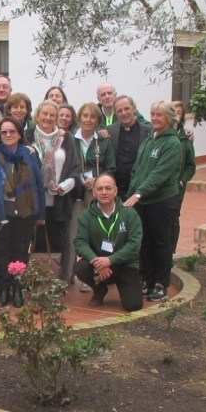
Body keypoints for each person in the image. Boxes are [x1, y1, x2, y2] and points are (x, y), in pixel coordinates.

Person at [124, 101, 184, 302]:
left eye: (160, 114)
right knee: (145, 242)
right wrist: (133, 191)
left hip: (162, 201)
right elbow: (138, 169)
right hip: (142, 201)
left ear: (169, 117)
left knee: (161, 242)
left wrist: (139, 193)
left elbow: (160, 174)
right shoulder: (150, 139)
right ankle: (147, 279)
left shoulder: (172, 143)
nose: (155, 118)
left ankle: (161, 284)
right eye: (153, 114)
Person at [0, 117, 46, 308]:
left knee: (21, 252)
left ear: (20, 134)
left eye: (12, 131)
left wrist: (41, 214)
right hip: (2, 212)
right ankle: (4, 288)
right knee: (1, 252)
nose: (8, 135)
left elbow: (38, 183)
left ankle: (18, 287)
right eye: (4, 132)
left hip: (26, 213)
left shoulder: (30, 154)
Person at [74, 174, 143, 311]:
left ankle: (125, 285)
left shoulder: (129, 213)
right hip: (99, 266)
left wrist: (111, 260)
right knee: (80, 267)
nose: (104, 192)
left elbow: (134, 244)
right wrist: (96, 261)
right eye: (99, 189)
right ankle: (100, 289)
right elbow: (80, 242)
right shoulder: (86, 216)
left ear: (115, 191)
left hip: (125, 264)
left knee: (133, 305)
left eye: (108, 188)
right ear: (94, 192)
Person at [66, 103, 115, 291]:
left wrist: (97, 180)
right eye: (84, 116)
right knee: (73, 233)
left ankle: (92, 274)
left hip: (96, 193)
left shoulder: (103, 141)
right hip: (75, 193)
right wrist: (79, 178)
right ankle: (69, 272)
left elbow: (111, 167)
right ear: (79, 118)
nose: (88, 119)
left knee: (96, 232)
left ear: (97, 121)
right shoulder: (70, 139)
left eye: (92, 117)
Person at [31, 101, 81, 282]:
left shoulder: (66, 139)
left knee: (57, 243)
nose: (48, 118)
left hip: (58, 200)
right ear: (37, 115)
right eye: (44, 114)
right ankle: (36, 280)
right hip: (34, 202)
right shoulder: (28, 136)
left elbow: (75, 168)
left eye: (52, 115)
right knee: (36, 243)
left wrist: (66, 185)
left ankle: (53, 282)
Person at [105, 96, 154, 199]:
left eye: (126, 108)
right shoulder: (109, 132)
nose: (124, 113)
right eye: (119, 111)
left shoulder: (149, 132)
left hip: (141, 191)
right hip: (117, 192)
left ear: (134, 108)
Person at [171, 101, 196, 254]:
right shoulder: (156, 134)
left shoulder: (186, 138)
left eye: (178, 112)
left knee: (173, 218)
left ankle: (171, 251)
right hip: (160, 187)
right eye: (172, 111)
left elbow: (191, 166)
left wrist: (182, 180)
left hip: (177, 188)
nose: (175, 115)